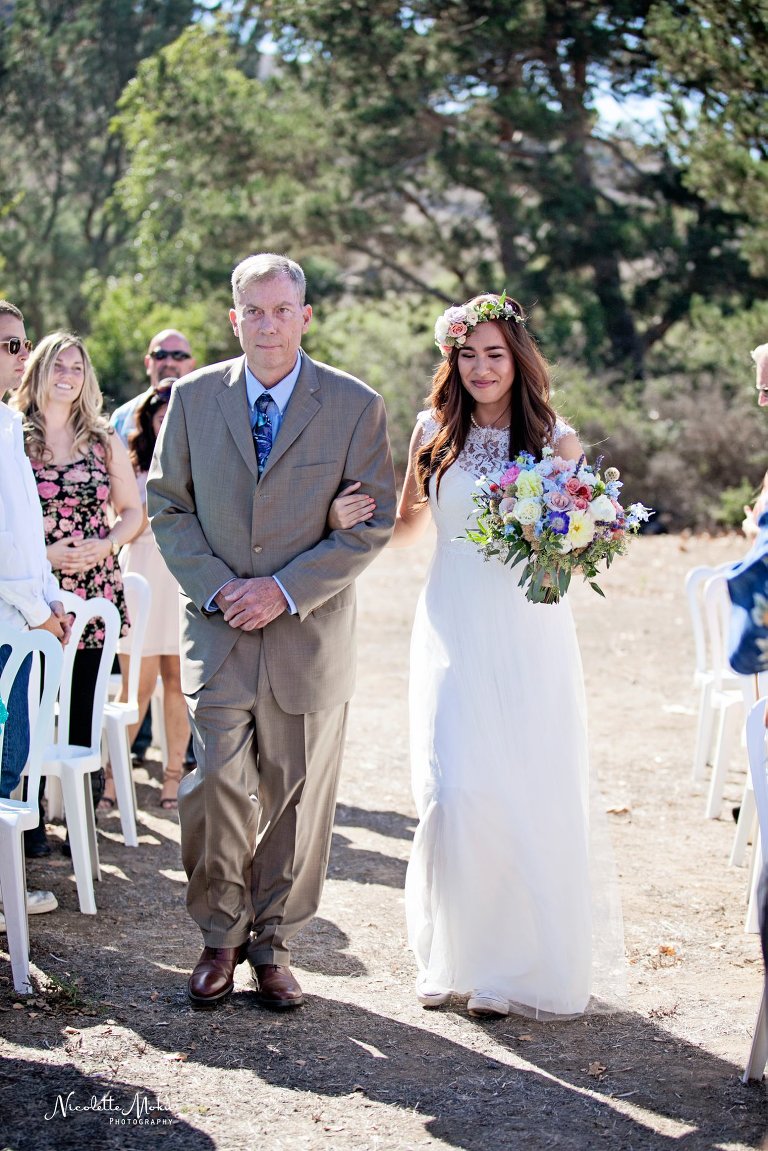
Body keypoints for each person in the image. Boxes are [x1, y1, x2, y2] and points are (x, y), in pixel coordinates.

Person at [332, 293, 625, 1019]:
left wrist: (577, 530)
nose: (482, 367)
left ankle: (507, 967)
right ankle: (451, 954)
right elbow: (406, 526)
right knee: (453, 789)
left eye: (495, 353)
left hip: (527, 634)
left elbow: (589, 536)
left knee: (519, 790)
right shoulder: (435, 430)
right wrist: (346, 517)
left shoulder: (552, 438)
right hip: (452, 627)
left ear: (517, 359)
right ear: (452, 359)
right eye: (468, 353)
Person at [147, 252, 396, 1011]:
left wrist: (283, 590)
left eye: (282, 309)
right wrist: (224, 587)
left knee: (295, 798)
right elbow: (168, 506)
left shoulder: (355, 406)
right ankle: (219, 935)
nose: (267, 324)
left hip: (308, 637)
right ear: (234, 318)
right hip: (219, 631)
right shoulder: (190, 399)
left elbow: (373, 522)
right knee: (214, 782)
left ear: (306, 315)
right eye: (252, 311)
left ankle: (273, 944)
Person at [11, 332, 142, 845]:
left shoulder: (102, 436)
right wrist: (48, 556)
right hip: (33, 592)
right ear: (38, 371)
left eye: (77, 367)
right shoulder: (15, 436)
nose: (68, 375)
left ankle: (82, 821)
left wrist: (106, 545)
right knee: (32, 702)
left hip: (93, 590)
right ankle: (30, 819)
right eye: (58, 365)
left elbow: (134, 513)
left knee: (82, 706)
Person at [0, 300, 70, 924]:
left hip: (24, 621)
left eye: (22, 345)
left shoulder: (5, 425)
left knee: (12, 758)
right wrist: (36, 610)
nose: (22, 357)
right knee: (4, 760)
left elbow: (28, 532)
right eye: (10, 346)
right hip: (7, 628)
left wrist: (50, 597)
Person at [100, 386, 191, 812]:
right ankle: (114, 779)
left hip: (182, 578)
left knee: (178, 683)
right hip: (140, 574)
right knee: (136, 686)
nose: (167, 420)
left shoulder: (199, 464)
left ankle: (173, 777)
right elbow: (124, 522)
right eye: (160, 414)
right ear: (149, 419)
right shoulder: (131, 464)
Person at [110, 329, 195, 447]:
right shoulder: (122, 419)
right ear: (147, 363)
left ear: (191, 365)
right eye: (160, 355)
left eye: (178, 355)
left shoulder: (204, 414)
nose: (169, 363)